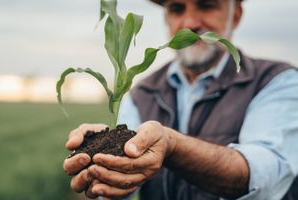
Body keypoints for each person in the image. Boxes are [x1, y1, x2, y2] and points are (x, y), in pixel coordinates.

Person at [63, 0, 298, 199]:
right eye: (177, 9)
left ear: (235, 15)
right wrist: (104, 168)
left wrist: (172, 146)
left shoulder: (276, 81)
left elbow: (268, 174)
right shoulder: (141, 94)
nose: (190, 23)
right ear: (166, 18)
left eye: (206, 5)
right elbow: (125, 173)